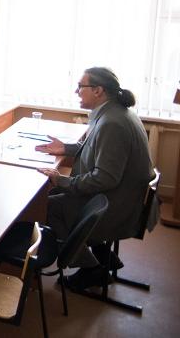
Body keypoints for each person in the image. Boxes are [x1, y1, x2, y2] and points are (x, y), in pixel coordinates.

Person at [35, 67, 154, 291]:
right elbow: (99, 149)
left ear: (98, 90)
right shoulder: (115, 113)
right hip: (121, 196)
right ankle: (103, 255)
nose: (76, 91)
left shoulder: (112, 123)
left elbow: (105, 179)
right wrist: (67, 148)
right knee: (54, 193)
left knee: (47, 207)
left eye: (80, 86)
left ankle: (92, 268)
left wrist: (61, 180)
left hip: (115, 206)